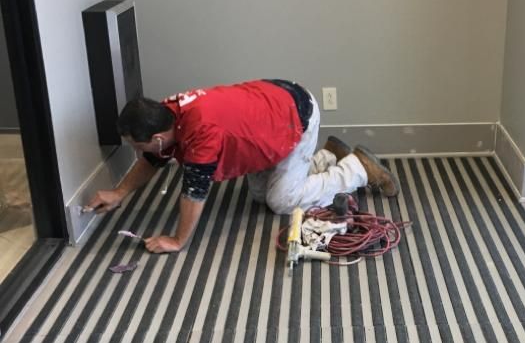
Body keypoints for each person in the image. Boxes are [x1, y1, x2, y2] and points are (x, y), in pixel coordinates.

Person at [87, 78, 399, 253]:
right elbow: (153, 159)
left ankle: (357, 168)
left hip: (296, 116)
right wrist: (119, 192)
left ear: (156, 138)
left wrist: (178, 240)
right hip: (272, 110)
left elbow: (194, 193)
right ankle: (328, 156)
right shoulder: (167, 113)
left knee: (281, 201)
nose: (137, 151)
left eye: (137, 145)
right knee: (261, 195)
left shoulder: (200, 134)